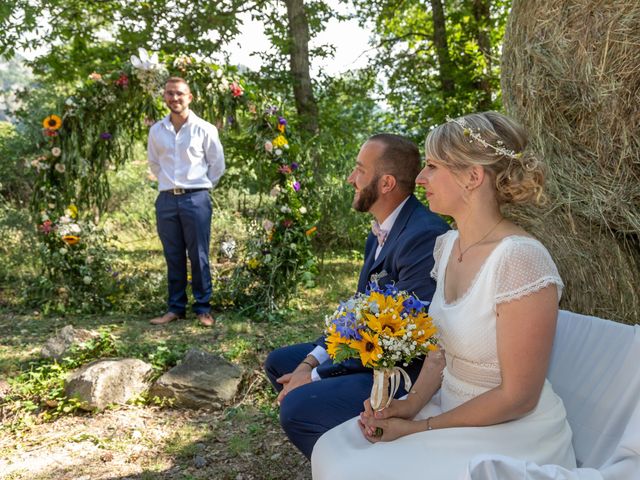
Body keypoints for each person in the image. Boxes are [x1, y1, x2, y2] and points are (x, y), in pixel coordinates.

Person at [312, 112, 576, 479]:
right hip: (446, 410)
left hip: (507, 434)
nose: (420, 178)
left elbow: (519, 397)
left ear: (472, 177)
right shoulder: (448, 245)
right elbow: (438, 355)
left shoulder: (520, 259)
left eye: (433, 166)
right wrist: (408, 405)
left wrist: (423, 427)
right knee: (332, 451)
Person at [264, 134, 450, 459]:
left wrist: (315, 375)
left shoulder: (422, 235)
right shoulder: (379, 230)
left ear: (386, 183)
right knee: (280, 362)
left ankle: (363, 464)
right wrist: (309, 363)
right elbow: (356, 312)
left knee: (295, 406)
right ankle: (347, 447)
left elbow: (403, 338)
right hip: (370, 350)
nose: (351, 178)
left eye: (359, 170)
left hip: (402, 369)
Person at [147, 77, 225, 327]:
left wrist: (199, 187)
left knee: (199, 254)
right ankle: (175, 308)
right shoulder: (157, 130)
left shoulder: (204, 129)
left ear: (189, 97)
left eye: (179, 94)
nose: (174, 98)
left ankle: (203, 309)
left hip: (196, 198)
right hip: (167, 200)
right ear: (164, 97)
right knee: (173, 255)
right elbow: (154, 164)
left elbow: (217, 165)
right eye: (169, 94)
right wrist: (171, 185)